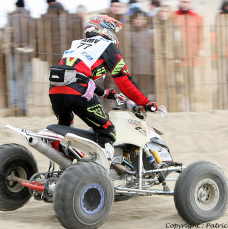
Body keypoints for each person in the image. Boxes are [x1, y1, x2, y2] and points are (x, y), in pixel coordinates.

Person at [48, 15, 158, 159]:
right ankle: (100, 174)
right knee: (107, 130)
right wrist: (145, 102)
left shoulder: (77, 45)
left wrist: (104, 93)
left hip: (55, 90)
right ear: (105, 30)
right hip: (76, 90)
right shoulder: (107, 45)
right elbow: (125, 81)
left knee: (65, 128)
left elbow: (76, 75)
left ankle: (63, 170)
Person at [5, 0, 36, 116]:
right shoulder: (31, 19)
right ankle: (23, 107)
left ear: (16, 6)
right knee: (25, 81)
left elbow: (7, 35)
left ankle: (15, 104)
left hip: (14, 54)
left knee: (13, 79)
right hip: (28, 54)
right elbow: (36, 35)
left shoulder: (11, 18)